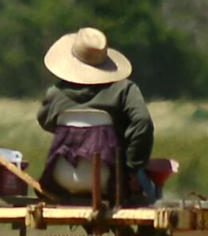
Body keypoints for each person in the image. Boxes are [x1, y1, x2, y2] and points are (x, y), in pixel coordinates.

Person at [36, 26, 158, 205]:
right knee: (153, 194)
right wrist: (133, 167)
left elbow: (45, 120)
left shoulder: (56, 93)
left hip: (62, 178)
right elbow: (143, 122)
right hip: (111, 180)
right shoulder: (124, 90)